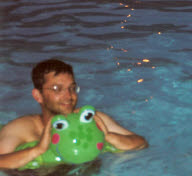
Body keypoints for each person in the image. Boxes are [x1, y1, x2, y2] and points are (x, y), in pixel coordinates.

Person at [0, 59, 148, 169]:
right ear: (38, 95)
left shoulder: (91, 119)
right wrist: (38, 149)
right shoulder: (21, 129)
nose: (69, 96)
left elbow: (141, 143)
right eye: (57, 88)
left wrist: (107, 135)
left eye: (72, 88)